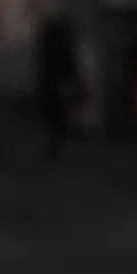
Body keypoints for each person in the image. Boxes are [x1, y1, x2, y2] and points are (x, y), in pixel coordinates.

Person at [34, 12, 84, 163]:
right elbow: (69, 63)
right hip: (59, 82)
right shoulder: (61, 44)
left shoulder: (48, 44)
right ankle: (57, 143)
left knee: (54, 116)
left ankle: (55, 144)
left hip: (52, 83)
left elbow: (43, 64)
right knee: (59, 115)